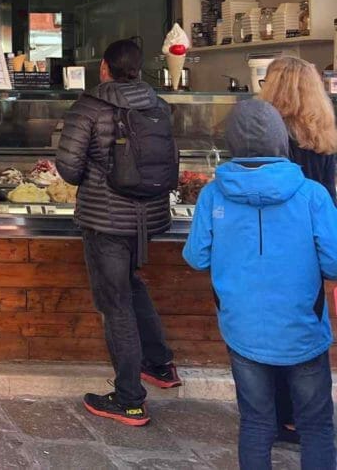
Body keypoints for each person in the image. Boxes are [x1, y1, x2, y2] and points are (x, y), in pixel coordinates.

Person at [183, 99, 337, 470]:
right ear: (281, 140)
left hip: (241, 329)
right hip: (303, 329)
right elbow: (334, 261)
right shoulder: (312, 194)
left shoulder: (213, 194)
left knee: (255, 423)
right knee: (316, 426)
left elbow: (196, 257)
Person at [55, 38, 180, 426]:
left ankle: (128, 399)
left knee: (116, 301)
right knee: (131, 284)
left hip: (106, 219)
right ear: (139, 70)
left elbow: (69, 169)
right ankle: (159, 365)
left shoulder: (89, 106)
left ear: (104, 68)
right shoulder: (157, 104)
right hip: (149, 217)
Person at [256, 56, 337, 446]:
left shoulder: (268, 138)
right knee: (303, 330)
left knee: (267, 329)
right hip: (309, 249)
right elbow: (329, 199)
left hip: (270, 247)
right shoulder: (323, 136)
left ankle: (272, 417)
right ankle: (299, 419)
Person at [260, 56, 337, 202]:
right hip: (315, 214)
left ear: (273, 90)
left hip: (280, 218)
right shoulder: (323, 131)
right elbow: (329, 193)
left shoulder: (266, 131)